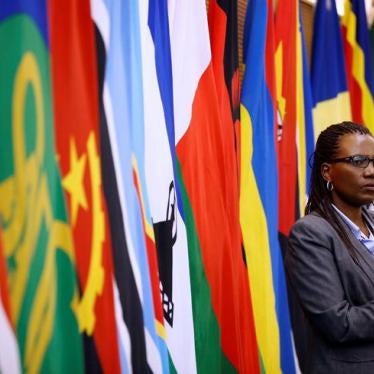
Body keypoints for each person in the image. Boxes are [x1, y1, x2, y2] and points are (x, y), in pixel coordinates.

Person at [285, 121, 374, 374]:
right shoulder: (311, 234)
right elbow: (338, 322)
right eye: (358, 161)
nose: (370, 171)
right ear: (327, 172)